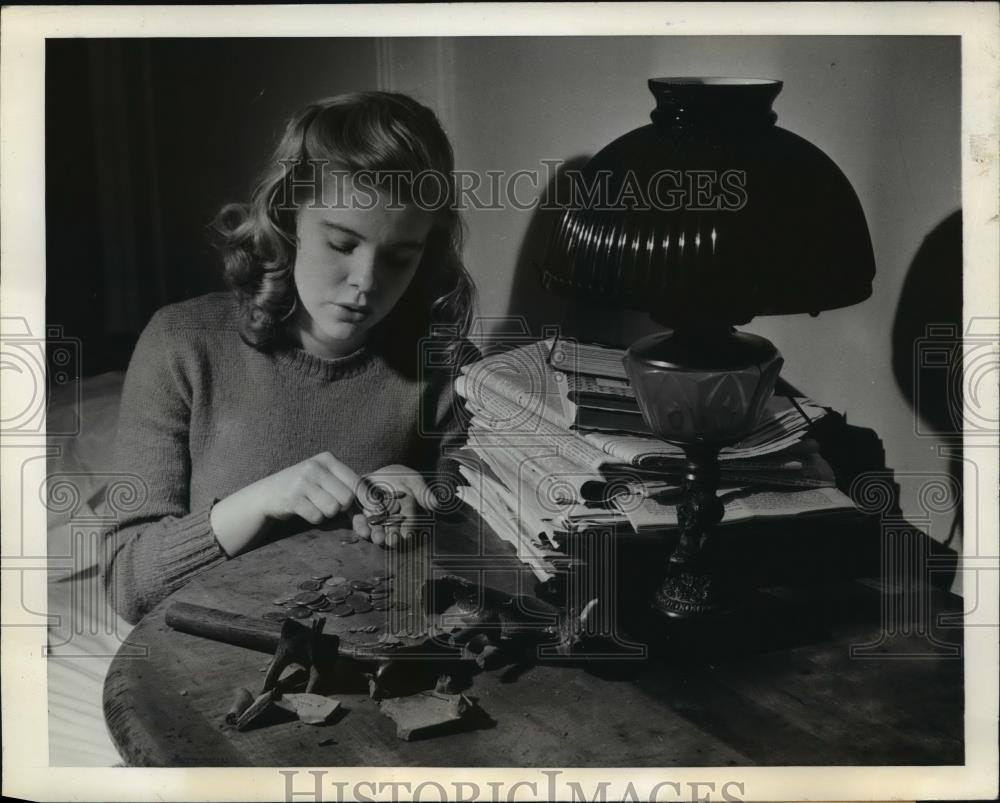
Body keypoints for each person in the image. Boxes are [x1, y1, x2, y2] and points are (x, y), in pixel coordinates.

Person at [103, 92, 478, 626]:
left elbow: (491, 565)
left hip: (373, 647)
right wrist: (257, 502)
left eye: (399, 257)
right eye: (343, 244)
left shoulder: (448, 367)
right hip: (211, 652)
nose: (365, 284)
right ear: (288, 220)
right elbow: (127, 584)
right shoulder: (181, 341)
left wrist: (426, 501)